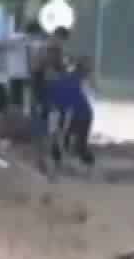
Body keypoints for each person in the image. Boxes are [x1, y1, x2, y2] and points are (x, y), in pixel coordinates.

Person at [39, 26, 96, 168]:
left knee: (71, 142)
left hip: (80, 114)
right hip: (73, 112)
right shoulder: (62, 80)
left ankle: (81, 164)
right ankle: (61, 160)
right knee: (62, 139)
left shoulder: (66, 80)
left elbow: (83, 71)